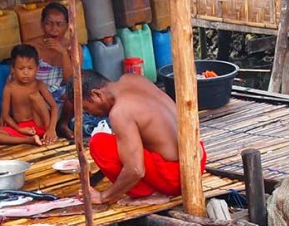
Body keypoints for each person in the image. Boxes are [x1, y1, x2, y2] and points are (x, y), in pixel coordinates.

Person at [70, 70, 206, 205]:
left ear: (96, 95)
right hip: (197, 160)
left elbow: (135, 170)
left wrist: (104, 197)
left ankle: (152, 194)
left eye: (87, 109)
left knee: (99, 144)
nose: (91, 115)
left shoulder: (120, 112)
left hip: (177, 178)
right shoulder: (132, 79)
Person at [25, 1, 97, 140]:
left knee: (75, 92)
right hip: (38, 97)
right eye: (49, 23)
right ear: (41, 24)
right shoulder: (31, 46)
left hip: (62, 99)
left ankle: (62, 124)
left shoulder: (73, 48)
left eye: (59, 24)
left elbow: (69, 80)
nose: (53, 30)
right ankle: (49, 128)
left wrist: (63, 53)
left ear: (67, 26)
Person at [0, 44, 59, 146]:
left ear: (37, 69)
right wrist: (20, 129)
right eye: (21, 68)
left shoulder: (39, 85)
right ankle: (29, 140)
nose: (26, 72)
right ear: (13, 69)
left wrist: (51, 128)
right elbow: (6, 116)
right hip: (21, 129)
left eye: (30, 68)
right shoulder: (9, 88)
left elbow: (54, 106)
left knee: (35, 96)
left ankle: (47, 135)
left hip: (40, 126)